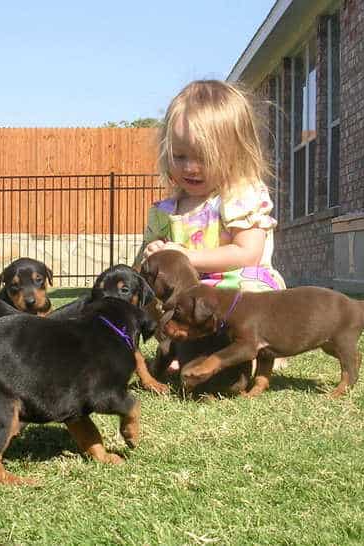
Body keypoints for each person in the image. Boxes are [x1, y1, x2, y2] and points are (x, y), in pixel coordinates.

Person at [137, 80, 285, 374]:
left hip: (234, 289)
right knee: (152, 300)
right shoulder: (166, 210)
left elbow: (248, 253)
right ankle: (182, 349)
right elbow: (150, 260)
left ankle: (254, 350)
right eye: (180, 156)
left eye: (204, 157)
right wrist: (154, 253)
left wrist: (186, 257)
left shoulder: (239, 197)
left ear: (236, 153)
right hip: (190, 298)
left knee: (248, 306)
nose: (190, 167)